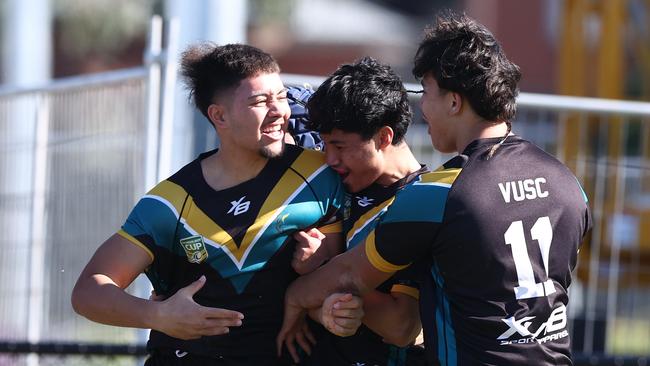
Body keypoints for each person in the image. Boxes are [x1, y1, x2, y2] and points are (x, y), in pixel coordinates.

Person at [278, 11, 592, 366]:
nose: (423, 108)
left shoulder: (438, 192)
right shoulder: (566, 181)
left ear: (454, 101)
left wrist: (295, 296)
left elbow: (351, 275)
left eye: (426, 91)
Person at [71, 42, 362, 366]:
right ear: (219, 115)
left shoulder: (321, 175)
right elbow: (88, 292)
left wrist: (319, 269)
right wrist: (159, 315)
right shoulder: (171, 202)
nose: (280, 110)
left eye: (280, 96)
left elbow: (339, 274)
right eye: (259, 101)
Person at [281, 57, 428, 366]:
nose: (329, 158)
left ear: (383, 137)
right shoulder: (330, 184)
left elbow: (401, 326)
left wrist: (322, 283)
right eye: (324, 145)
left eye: (340, 146)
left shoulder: (423, 205)